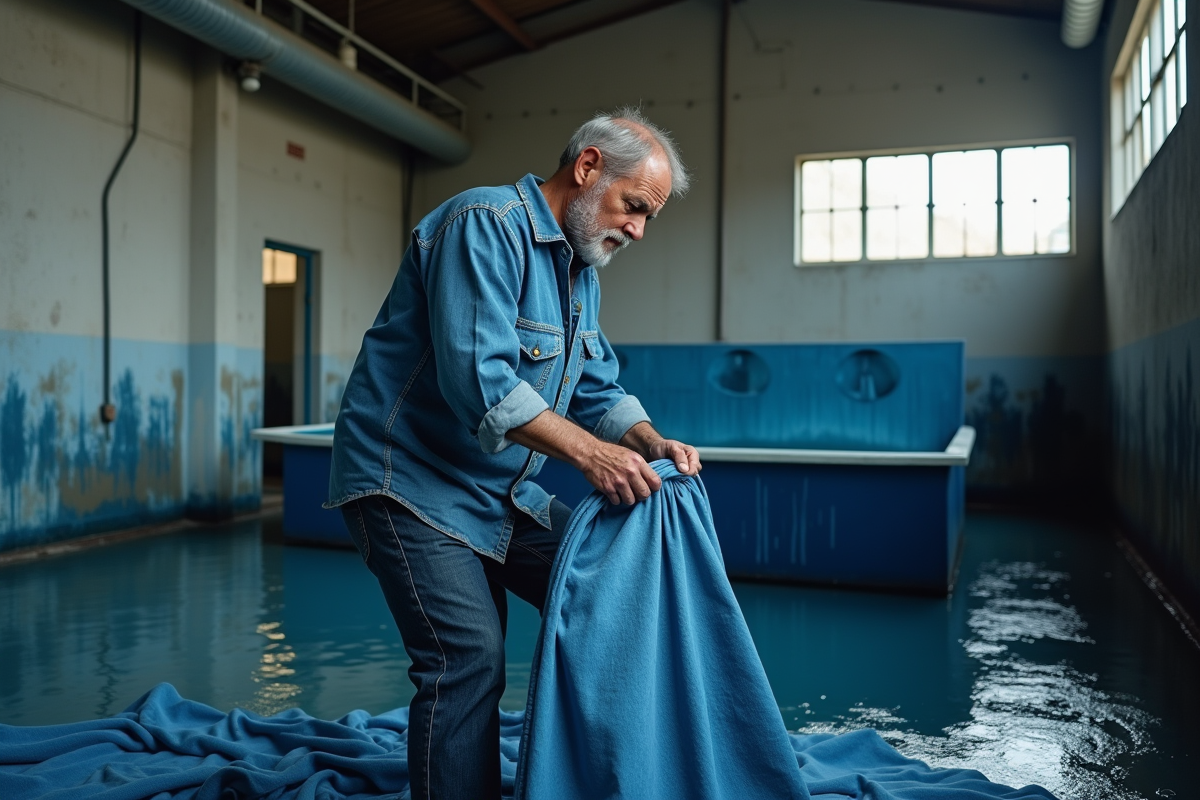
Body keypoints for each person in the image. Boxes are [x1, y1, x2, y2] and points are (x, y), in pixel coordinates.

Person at [326, 107, 701, 800]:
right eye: (635, 208)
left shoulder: (578, 269)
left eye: (649, 217)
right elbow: (481, 384)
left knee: (609, 584)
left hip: (501, 493)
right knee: (467, 659)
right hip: (409, 484)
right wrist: (594, 458)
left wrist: (649, 442)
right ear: (588, 167)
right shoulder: (482, 225)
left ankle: (600, 779)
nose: (639, 230)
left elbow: (594, 384)